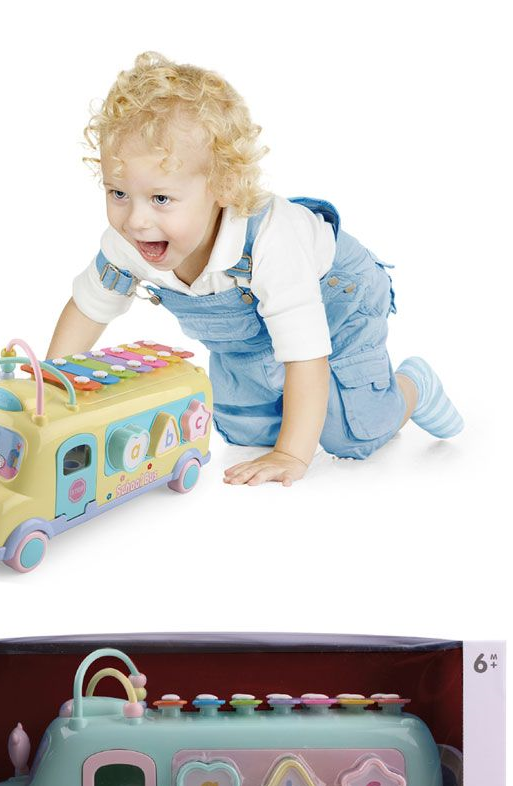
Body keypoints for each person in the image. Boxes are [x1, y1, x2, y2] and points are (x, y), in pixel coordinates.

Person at [46, 52, 462, 487]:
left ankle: (411, 387)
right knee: (245, 431)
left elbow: (305, 351)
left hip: (338, 301)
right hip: (255, 331)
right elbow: (88, 309)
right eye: (118, 193)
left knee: (351, 433)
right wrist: (51, 388)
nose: (135, 221)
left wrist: (291, 454)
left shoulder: (271, 241)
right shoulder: (128, 242)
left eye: (161, 199)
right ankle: (300, 405)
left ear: (223, 187)